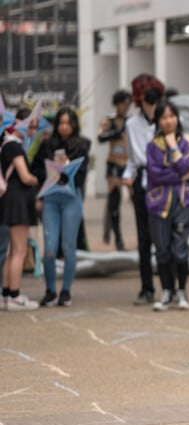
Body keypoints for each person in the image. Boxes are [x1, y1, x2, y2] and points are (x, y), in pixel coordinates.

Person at [32, 107, 91, 307]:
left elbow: (82, 174)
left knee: (68, 246)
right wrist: (50, 172)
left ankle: (66, 290)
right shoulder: (47, 144)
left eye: (68, 123)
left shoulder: (82, 145)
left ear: (74, 125)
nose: (64, 127)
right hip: (50, 198)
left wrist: (67, 167)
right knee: (49, 247)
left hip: (71, 199)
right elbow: (35, 168)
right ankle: (50, 290)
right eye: (61, 123)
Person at [145, 100, 189, 311]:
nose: (168, 121)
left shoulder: (188, 142)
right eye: (164, 117)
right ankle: (167, 291)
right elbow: (155, 174)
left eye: (172, 116)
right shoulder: (152, 146)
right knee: (162, 250)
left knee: (180, 250)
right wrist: (183, 173)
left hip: (184, 202)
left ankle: (182, 291)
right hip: (158, 203)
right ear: (158, 120)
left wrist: (174, 148)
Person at [122, 74, 165, 305]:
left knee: (165, 235)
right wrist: (127, 178)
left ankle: (171, 287)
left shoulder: (167, 120)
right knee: (144, 237)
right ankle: (146, 288)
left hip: (164, 179)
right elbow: (131, 158)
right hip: (142, 180)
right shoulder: (131, 124)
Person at [0, 113, 41, 311]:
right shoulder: (14, 146)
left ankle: (6, 294)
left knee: (12, 251)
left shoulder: (5, 145)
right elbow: (25, 177)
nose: (32, 131)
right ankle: (15, 295)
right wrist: (38, 180)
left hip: (10, 200)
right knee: (20, 250)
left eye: (35, 127)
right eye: (31, 126)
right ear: (19, 124)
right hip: (18, 201)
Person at [97, 89, 131, 251]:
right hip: (114, 164)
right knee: (114, 202)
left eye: (128, 103)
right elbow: (100, 137)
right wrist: (114, 133)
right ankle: (118, 237)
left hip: (129, 164)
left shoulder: (131, 121)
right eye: (123, 103)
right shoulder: (109, 120)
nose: (126, 107)